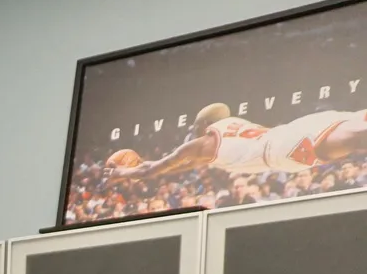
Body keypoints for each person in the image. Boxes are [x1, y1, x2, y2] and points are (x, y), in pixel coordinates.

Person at [110, 101, 367, 179]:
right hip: (289, 132)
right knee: (356, 122)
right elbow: (169, 166)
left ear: (204, 126)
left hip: (279, 151)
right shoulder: (233, 126)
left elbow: (154, 170)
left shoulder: (201, 145)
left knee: (355, 139)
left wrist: (119, 173)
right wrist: (141, 166)